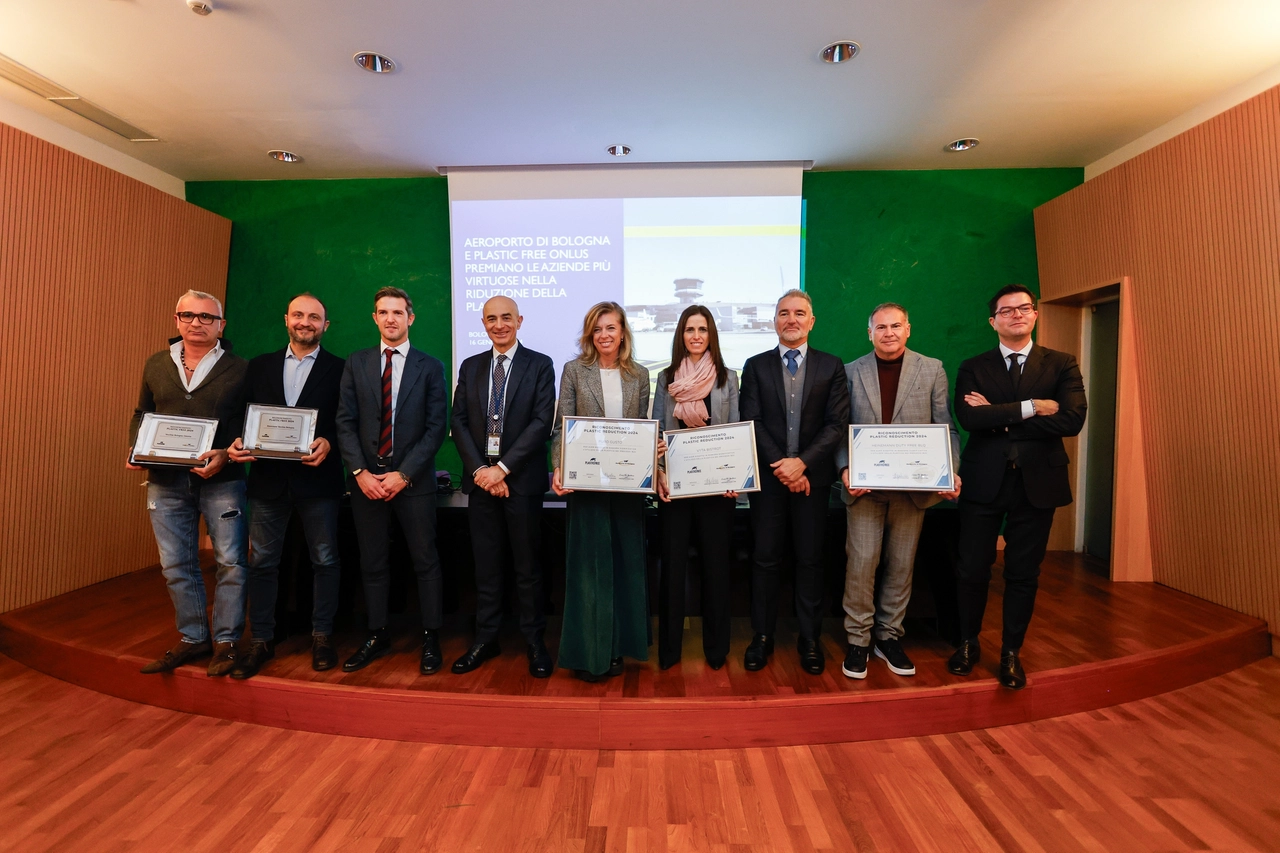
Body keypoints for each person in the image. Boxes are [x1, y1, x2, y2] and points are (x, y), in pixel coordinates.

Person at [948, 284, 1087, 690]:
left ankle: (1011, 652)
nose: (1016, 315)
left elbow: (1071, 421)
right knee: (972, 569)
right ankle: (968, 644)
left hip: (1038, 482)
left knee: (1023, 572)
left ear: (1035, 315)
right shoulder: (974, 366)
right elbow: (970, 421)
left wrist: (998, 416)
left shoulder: (1062, 364)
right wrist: (1031, 408)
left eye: (1024, 308)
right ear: (993, 321)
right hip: (983, 481)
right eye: (1006, 311)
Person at [833, 303, 961, 680]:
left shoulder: (932, 368)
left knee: (901, 566)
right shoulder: (850, 372)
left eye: (895, 326)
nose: (888, 333)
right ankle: (858, 640)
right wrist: (844, 468)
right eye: (880, 327)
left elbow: (946, 427)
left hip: (913, 489)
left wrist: (949, 470)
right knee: (861, 564)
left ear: (908, 329)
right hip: (865, 490)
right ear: (869, 333)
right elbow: (840, 429)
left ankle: (888, 637)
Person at [129, 290, 249, 677]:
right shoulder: (155, 364)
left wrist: (226, 455)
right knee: (176, 563)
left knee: (230, 562)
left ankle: (227, 643)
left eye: (206, 317)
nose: (196, 323)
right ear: (176, 319)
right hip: (165, 481)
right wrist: (137, 449)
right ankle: (194, 637)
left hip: (223, 480)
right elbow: (142, 413)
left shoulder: (241, 368)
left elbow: (250, 425)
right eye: (188, 315)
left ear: (221, 325)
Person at [226, 293, 346, 678]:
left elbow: (349, 424)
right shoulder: (259, 366)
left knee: (325, 562)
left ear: (325, 326)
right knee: (262, 563)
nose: (305, 321)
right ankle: (261, 639)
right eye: (298, 314)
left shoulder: (341, 369)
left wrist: (331, 442)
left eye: (314, 317)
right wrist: (237, 443)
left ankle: (323, 636)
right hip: (267, 484)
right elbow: (239, 416)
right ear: (286, 319)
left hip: (320, 483)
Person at [335, 286, 448, 674]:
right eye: (383, 312)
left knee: (425, 561)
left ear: (410, 318)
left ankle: (432, 636)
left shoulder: (430, 366)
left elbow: (436, 429)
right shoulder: (357, 362)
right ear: (375, 318)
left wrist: (403, 474)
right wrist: (359, 473)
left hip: (413, 482)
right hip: (365, 483)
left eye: (398, 312)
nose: (390, 319)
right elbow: (344, 422)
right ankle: (377, 633)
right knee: (373, 563)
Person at [739, 289, 850, 675]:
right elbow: (751, 420)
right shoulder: (755, 366)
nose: (791, 319)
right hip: (769, 483)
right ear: (774, 322)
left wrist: (801, 464)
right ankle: (762, 637)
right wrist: (782, 467)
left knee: (810, 560)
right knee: (765, 559)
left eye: (799, 313)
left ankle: (809, 638)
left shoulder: (831, 366)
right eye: (784, 313)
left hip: (812, 483)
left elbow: (836, 424)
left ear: (811, 321)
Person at [450, 296, 556, 678]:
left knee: (527, 568)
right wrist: (482, 470)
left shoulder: (540, 365)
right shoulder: (472, 366)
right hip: (480, 484)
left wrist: (503, 469)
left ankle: (533, 641)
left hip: (521, 484)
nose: (499, 325)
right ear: (483, 323)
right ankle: (486, 638)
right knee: (487, 566)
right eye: (491, 319)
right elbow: (458, 421)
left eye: (506, 318)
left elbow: (542, 423)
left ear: (520, 321)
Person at [550, 302, 651, 682]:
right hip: (587, 483)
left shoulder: (639, 375)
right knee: (589, 570)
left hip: (626, 487)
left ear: (623, 333)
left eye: (611, 328)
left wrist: (653, 454)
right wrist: (559, 465)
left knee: (624, 566)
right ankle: (588, 653)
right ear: (590, 335)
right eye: (598, 329)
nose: (605, 335)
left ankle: (616, 649)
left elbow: (642, 427)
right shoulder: (575, 371)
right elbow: (563, 426)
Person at [653, 304, 740, 670]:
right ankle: (669, 650)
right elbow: (658, 429)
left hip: (717, 490)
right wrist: (658, 472)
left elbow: (735, 431)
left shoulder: (727, 377)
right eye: (689, 329)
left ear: (711, 335)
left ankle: (716, 649)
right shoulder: (666, 377)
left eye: (703, 329)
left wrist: (736, 476)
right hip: (675, 488)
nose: (696, 336)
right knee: (672, 570)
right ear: (681, 335)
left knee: (716, 569)